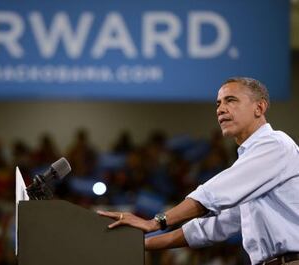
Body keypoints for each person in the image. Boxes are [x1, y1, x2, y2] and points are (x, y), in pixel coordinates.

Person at [98, 77, 299, 265]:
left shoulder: (276, 144)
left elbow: (215, 193)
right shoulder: (253, 164)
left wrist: (156, 222)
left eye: (230, 100)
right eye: (218, 103)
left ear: (259, 107)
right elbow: (209, 228)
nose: (221, 109)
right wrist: (143, 243)